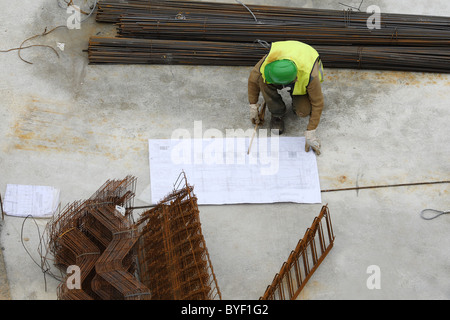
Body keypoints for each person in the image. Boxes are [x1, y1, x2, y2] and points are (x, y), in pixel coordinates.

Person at [247, 40, 325, 155]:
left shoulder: (310, 75)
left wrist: (311, 132)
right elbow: (253, 80)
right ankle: (277, 113)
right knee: (262, 81)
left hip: (301, 75)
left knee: (303, 111)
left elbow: (318, 103)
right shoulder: (268, 62)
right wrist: (253, 106)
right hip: (288, 65)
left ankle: (296, 98)